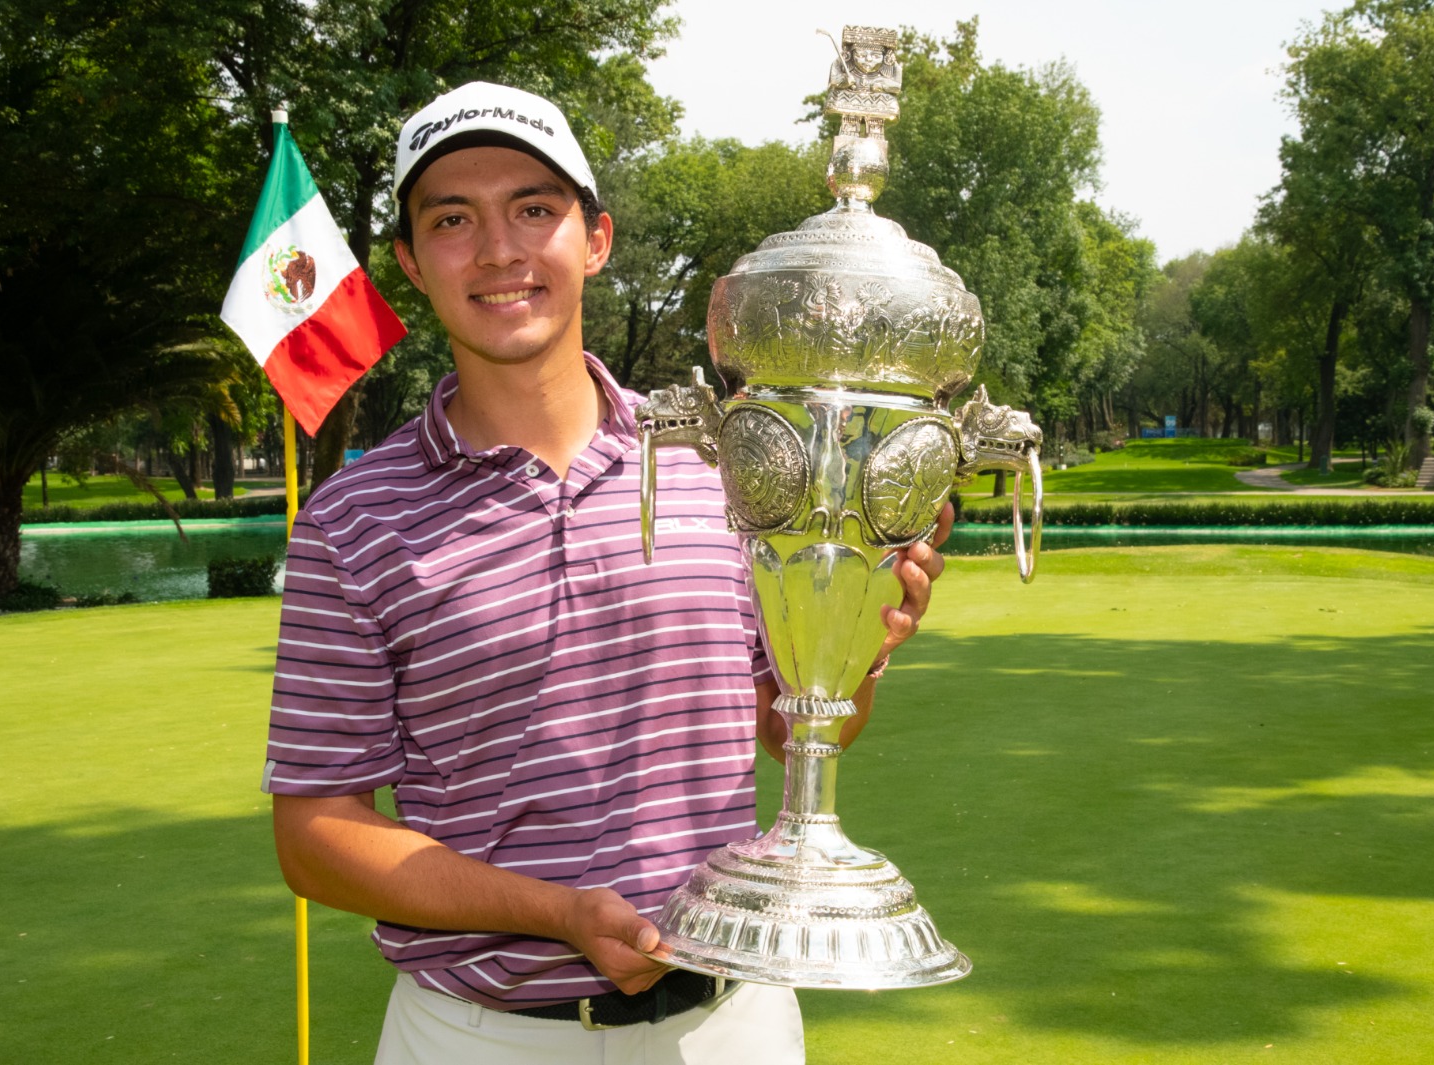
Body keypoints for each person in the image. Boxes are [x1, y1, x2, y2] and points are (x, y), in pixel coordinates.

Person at [262, 81, 949, 1065]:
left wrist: (855, 654)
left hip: (731, 1026)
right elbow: (318, 833)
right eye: (453, 219)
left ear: (595, 239)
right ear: (410, 263)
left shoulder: (729, 464)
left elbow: (789, 721)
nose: (500, 250)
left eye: (534, 210)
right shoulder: (351, 522)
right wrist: (553, 913)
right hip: (478, 1039)